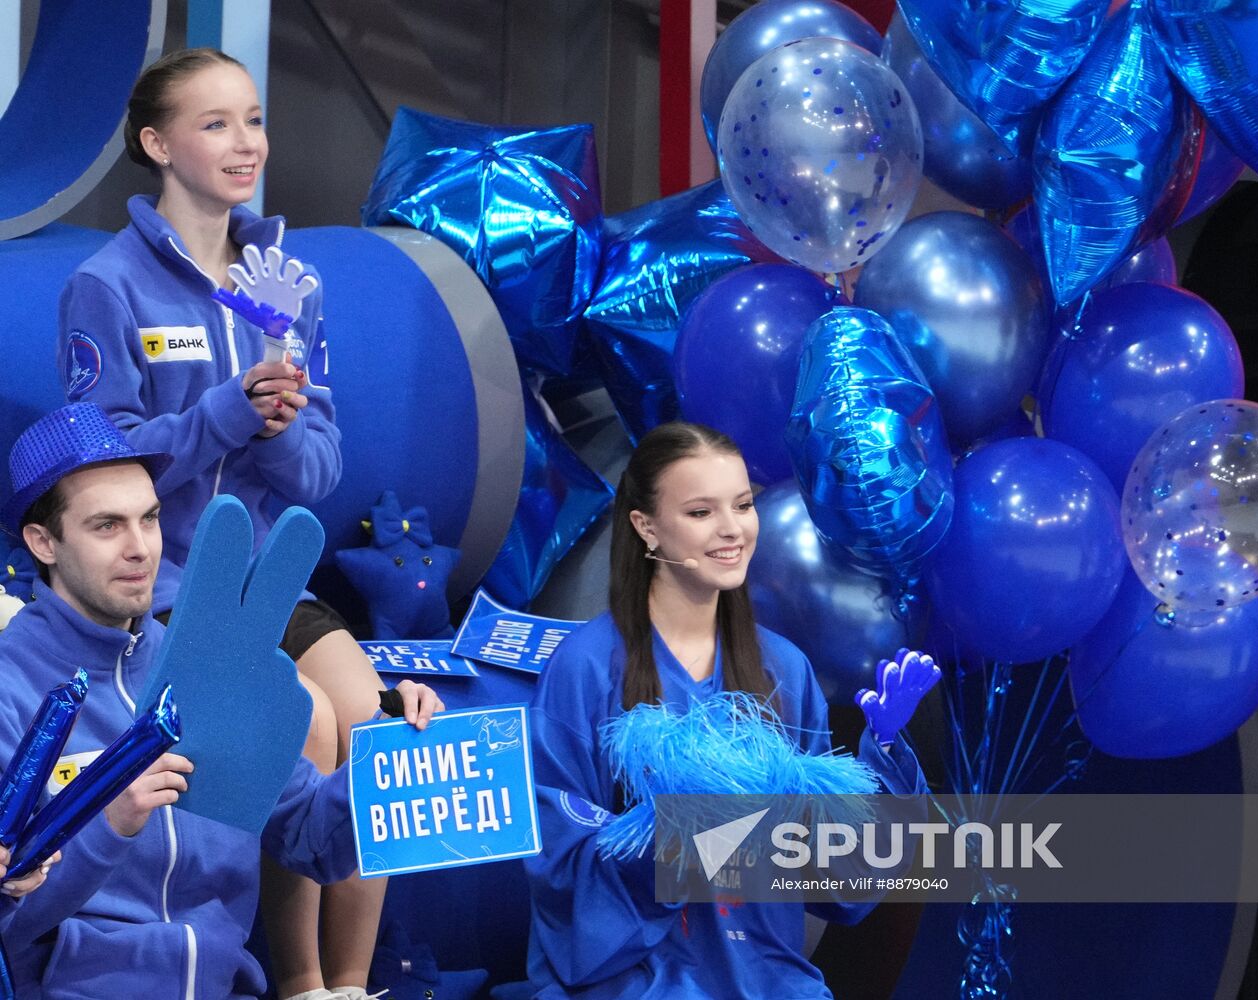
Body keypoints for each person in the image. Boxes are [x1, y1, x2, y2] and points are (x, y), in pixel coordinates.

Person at [56, 49, 397, 1000]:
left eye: (252, 119)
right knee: (306, 724)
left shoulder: (286, 283)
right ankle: (295, 982)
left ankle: (351, 985)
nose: (245, 143)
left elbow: (319, 471)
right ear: (158, 144)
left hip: (272, 577)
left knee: (369, 724)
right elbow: (100, 466)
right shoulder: (108, 284)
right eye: (215, 124)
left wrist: (279, 428)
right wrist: (228, 413)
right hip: (169, 590)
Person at [0, 403, 440, 999]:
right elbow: (10, 924)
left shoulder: (211, 663)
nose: (140, 548)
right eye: (107, 526)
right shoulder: (11, 691)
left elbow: (313, 843)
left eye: (150, 520)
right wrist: (111, 823)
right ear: (42, 543)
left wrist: (389, 755)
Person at [524, 421, 936, 999]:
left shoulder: (785, 670)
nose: (732, 530)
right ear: (646, 527)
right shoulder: (586, 667)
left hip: (767, 978)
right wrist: (682, 831)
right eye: (700, 513)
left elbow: (836, 883)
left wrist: (882, 766)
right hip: (637, 982)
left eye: (743, 505)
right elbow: (560, 859)